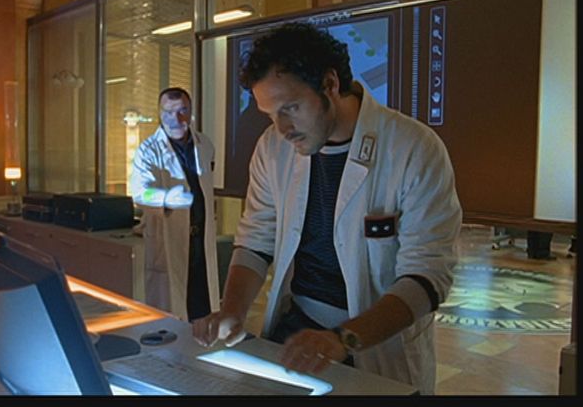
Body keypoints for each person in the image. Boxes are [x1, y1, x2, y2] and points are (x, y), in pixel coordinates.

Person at [192, 23, 462, 395]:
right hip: (296, 331)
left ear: (330, 84)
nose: (282, 128)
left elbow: (427, 276)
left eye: (291, 108)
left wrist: (342, 338)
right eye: (271, 114)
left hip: (374, 341)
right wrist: (232, 311)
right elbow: (256, 240)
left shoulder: (414, 149)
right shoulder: (272, 148)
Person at [129, 87, 220, 322]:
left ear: (191, 112)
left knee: (202, 305)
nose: (176, 119)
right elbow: (139, 193)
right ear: (159, 114)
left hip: (200, 239)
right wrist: (167, 198)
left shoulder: (205, 144)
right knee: (172, 311)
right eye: (168, 112)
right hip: (169, 239)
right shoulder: (148, 150)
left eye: (182, 111)